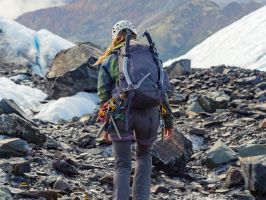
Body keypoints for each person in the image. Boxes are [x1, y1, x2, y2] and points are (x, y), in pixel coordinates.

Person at [95, 20, 174, 200]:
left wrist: (107, 125)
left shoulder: (111, 59)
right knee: (144, 158)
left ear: (115, 37)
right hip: (149, 114)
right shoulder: (151, 55)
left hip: (121, 114)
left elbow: (103, 95)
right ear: (135, 35)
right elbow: (162, 91)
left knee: (122, 165)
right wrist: (168, 121)